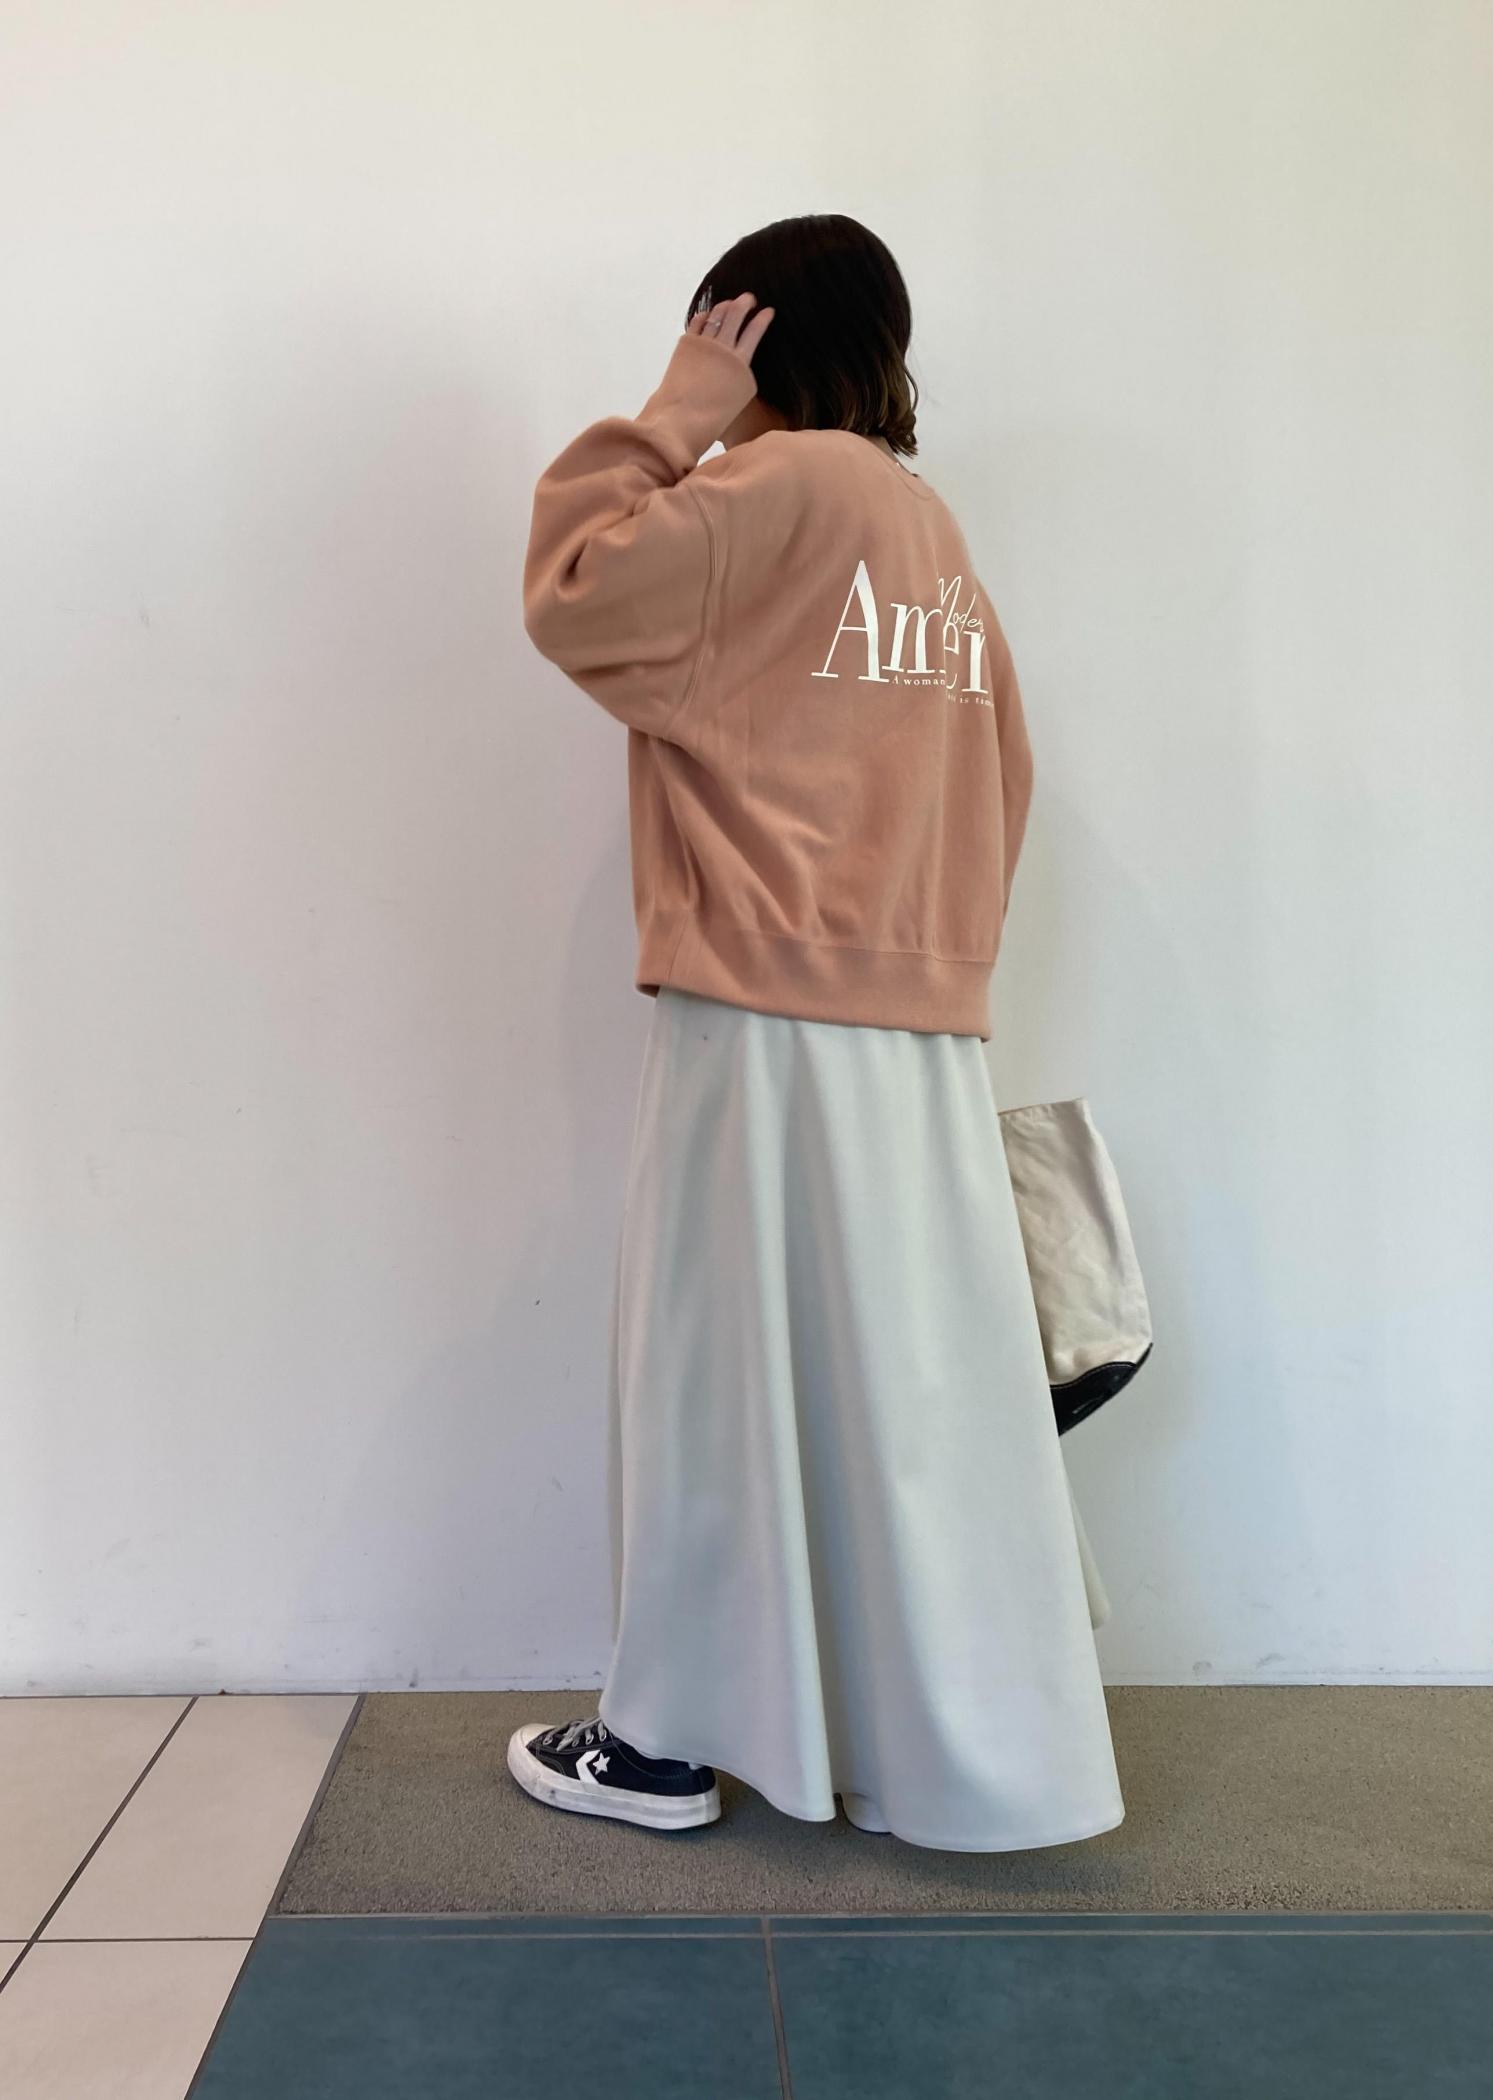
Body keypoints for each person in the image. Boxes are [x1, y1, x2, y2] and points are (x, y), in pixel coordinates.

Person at [509, 214, 1123, 1852]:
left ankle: (665, 1747)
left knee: (715, 1380)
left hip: (763, 1016)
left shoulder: (768, 491)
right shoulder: (928, 527)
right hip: (915, 1027)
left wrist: (674, 411)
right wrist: (936, 967)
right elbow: (1000, 772)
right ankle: (955, 1746)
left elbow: (573, 593)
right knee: (910, 1400)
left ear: (750, 333)